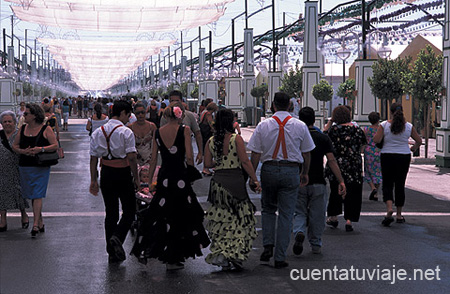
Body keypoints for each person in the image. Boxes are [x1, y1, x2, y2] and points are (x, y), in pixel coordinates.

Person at [131, 102, 210, 270]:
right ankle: (174, 257)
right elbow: (189, 157)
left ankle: (147, 249)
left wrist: (151, 179)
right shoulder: (184, 130)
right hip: (180, 177)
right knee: (181, 215)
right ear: (180, 115)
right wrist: (191, 172)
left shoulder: (158, 132)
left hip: (165, 177)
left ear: (166, 116)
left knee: (160, 214)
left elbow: (153, 158)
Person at [247, 92, 315, 269]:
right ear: (290, 106)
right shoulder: (300, 126)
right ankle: (280, 256)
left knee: (268, 210)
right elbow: (307, 153)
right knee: (286, 214)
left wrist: (253, 177)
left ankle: (268, 245)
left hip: (269, 170)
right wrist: (305, 173)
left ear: (273, 106)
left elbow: (255, 153)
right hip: (291, 170)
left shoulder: (263, 126)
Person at [204, 109, 260, 271]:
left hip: (218, 183)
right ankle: (235, 253)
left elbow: (207, 164)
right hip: (235, 182)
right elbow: (244, 161)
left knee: (222, 220)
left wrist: (220, 162)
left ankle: (222, 254)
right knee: (238, 219)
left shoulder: (212, 141)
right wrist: (254, 179)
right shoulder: (237, 139)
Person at [89, 100, 140, 263]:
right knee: (130, 210)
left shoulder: (98, 132)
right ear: (123, 113)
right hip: (123, 173)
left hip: (106, 174)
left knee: (110, 212)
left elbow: (93, 159)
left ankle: (112, 252)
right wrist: (136, 178)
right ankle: (117, 237)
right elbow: (132, 158)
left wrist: (93, 180)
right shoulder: (126, 132)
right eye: (129, 114)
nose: (129, 118)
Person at [293, 107, 346, 255]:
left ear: (299, 119)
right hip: (318, 181)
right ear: (314, 120)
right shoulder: (322, 138)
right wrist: (340, 180)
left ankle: (299, 231)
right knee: (317, 214)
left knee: (299, 211)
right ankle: (315, 244)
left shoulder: (296, 137)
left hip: (299, 180)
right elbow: (331, 160)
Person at [12, 104, 58, 237]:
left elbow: (54, 145)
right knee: (31, 194)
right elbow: (15, 145)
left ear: (34, 115)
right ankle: (41, 221)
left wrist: (40, 149)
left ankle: (35, 224)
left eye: (26, 114)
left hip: (41, 166)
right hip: (25, 166)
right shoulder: (23, 129)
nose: (24, 116)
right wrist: (22, 151)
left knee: (37, 194)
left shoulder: (46, 129)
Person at [374, 103, 421, 226]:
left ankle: (389, 208)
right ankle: (399, 214)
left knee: (388, 183)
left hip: (387, 155)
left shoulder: (384, 125)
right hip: (403, 156)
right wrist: (413, 148)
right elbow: (419, 140)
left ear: (390, 112)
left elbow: (376, 140)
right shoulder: (409, 126)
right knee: (400, 184)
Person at [325, 105, 366, 232]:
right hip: (354, 164)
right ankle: (349, 220)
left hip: (337, 163)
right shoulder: (357, 130)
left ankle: (334, 217)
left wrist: (330, 121)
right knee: (353, 191)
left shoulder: (334, 130)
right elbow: (363, 146)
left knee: (335, 189)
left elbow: (324, 136)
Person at [0, 111, 29, 232]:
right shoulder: (0, 135)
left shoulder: (20, 134)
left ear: (14, 122)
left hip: (17, 168)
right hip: (2, 169)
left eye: (9, 121)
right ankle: (3, 219)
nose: (7, 124)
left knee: (19, 191)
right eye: (5, 121)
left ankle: (23, 214)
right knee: (1, 193)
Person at [160, 90, 203, 165]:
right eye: (172, 101)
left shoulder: (189, 115)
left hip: (187, 155)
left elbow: (197, 134)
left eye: (177, 100)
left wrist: (200, 152)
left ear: (181, 101)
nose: (174, 103)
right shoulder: (165, 117)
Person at [363, 112, 382, 201]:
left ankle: (372, 187)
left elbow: (363, 140)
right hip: (378, 151)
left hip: (369, 151)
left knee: (368, 171)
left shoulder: (366, 129)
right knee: (378, 172)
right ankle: (376, 192)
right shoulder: (381, 129)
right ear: (378, 120)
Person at [199, 102, 218, 175]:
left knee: (205, 148)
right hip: (207, 133)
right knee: (208, 149)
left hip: (202, 132)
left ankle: (206, 167)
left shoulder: (203, 112)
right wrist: (215, 129)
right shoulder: (208, 114)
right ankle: (206, 168)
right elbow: (211, 123)